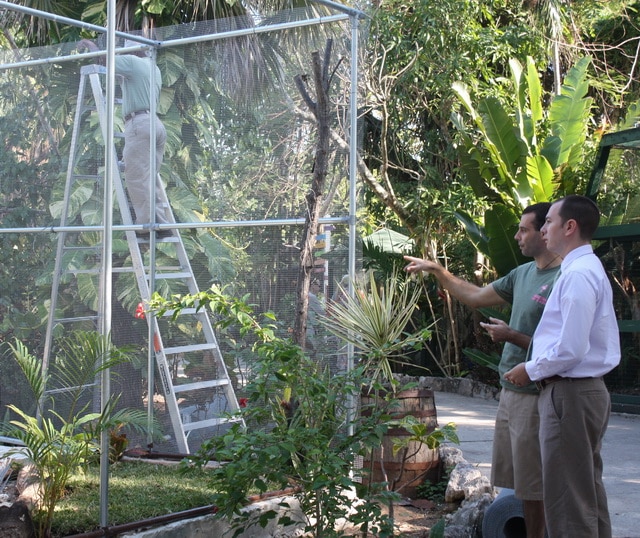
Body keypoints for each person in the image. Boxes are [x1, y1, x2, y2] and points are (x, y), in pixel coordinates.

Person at [404, 203, 560, 538]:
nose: (517, 235)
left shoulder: (566, 277)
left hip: (540, 393)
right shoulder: (522, 274)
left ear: (546, 232)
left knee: (538, 486)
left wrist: (511, 336)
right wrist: (438, 271)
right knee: (521, 486)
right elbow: (474, 296)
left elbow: (567, 347)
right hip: (511, 391)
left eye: (524, 229)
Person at [505, 195, 620, 538]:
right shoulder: (582, 269)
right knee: (585, 491)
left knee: (567, 499)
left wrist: (530, 369)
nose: (543, 230)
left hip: (568, 393)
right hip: (576, 392)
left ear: (570, 227)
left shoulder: (578, 275)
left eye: (549, 222)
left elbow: (570, 348)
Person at [78, 38, 170, 237]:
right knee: (150, 176)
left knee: (136, 177)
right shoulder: (154, 68)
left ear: (135, 51)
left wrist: (90, 45)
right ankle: (162, 223)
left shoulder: (133, 62)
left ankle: (146, 226)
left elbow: (104, 59)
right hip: (156, 124)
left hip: (139, 124)